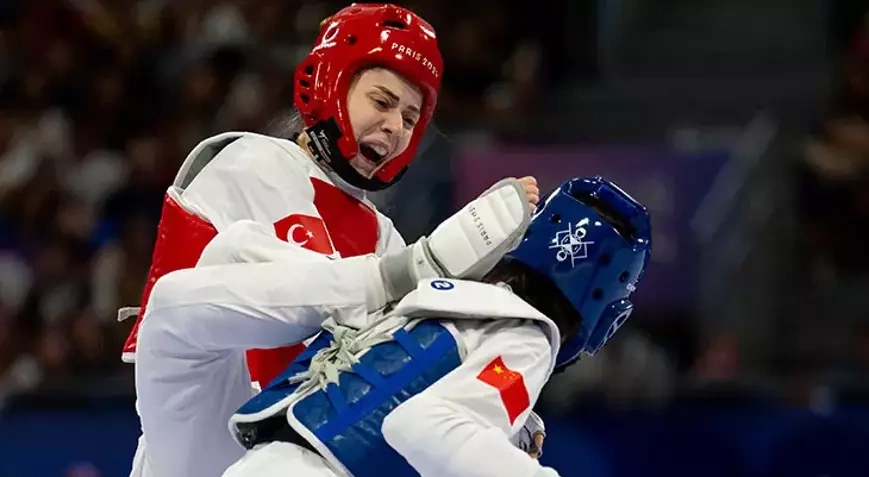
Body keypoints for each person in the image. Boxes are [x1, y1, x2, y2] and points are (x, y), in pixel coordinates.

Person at [123, 4, 540, 476]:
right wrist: (401, 280)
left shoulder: (386, 239)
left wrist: (500, 408)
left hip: (303, 452)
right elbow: (221, 311)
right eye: (381, 102)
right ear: (330, 85)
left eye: (410, 118)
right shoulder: (244, 160)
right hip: (203, 438)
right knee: (215, 266)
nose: (395, 126)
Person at [137, 177, 652, 477]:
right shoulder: (529, 336)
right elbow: (424, 426)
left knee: (184, 296)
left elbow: (233, 250)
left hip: (247, 464)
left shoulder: (422, 299)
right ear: (604, 313)